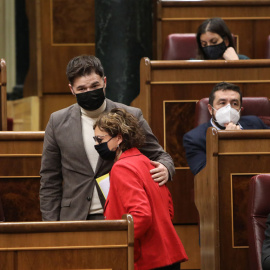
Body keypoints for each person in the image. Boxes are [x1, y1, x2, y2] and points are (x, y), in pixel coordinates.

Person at [39, 55, 175, 221]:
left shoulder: (130, 115)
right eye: (82, 89)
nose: (89, 92)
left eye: (95, 85)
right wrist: (51, 226)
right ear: (71, 89)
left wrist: (166, 168)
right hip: (74, 217)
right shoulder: (57, 121)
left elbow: (160, 156)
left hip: (119, 214)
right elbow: (49, 179)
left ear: (104, 82)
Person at [93, 108, 188, 270]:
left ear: (119, 138)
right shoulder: (147, 161)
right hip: (167, 255)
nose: (96, 144)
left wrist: (119, 241)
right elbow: (169, 210)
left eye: (100, 139)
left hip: (147, 259)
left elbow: (141, 215)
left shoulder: (122, 167)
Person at [183, 82, 270, 175]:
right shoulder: (194, 138)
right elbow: (204, 174)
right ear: (210, 109)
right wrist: (229, 142)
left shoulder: (255, 123)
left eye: (235, 103)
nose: (228, 108)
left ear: (240, 110)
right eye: (222, 103)